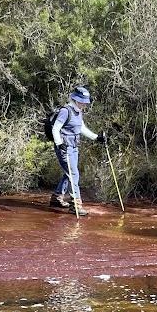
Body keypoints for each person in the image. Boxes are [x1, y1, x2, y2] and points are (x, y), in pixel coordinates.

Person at [47, 86, 106, 215]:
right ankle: (76, 205)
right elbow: (55, 128)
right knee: (73, 174)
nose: (84, 104)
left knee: (69, 173)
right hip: (64, 148)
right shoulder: (65, 111)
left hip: (74, 147)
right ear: (74, 99)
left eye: (85, 102)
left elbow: (82, 128)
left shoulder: (78, 111)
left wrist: (97, 138)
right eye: (82, 101)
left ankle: (57, 197)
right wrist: (59, 143)